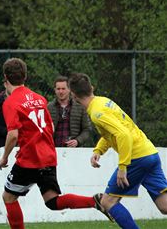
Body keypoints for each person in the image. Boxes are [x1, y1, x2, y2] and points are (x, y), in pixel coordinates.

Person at [0, 58, 111, 229]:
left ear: (5, 78)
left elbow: (12, 135)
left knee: (8, 197)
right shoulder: (39, 99)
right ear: (25, 77)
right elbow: (49, 126)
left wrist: (4, 157)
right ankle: (95, 201)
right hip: (48, 157)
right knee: (52, 201)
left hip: (29, 159)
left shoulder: (11, 102)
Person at [68, 72, 167, 229]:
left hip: (137, 158)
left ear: (73, 95)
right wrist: (99, 150)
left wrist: (123, 167)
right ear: (91, 88)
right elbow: (114, 132)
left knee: (107, 201)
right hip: (149, 153)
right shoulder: (103, 101)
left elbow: (123, 134)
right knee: (164, 206)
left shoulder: (96, 113)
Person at [47, 76, 92, 147]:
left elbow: (87, 129)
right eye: (58, 89)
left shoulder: (80, 107)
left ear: (69, 90)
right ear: (55, 90)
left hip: (74, 150)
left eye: (63, 89)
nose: (61, 91)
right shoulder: (48, 107)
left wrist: (78, 141)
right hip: (53, 149)